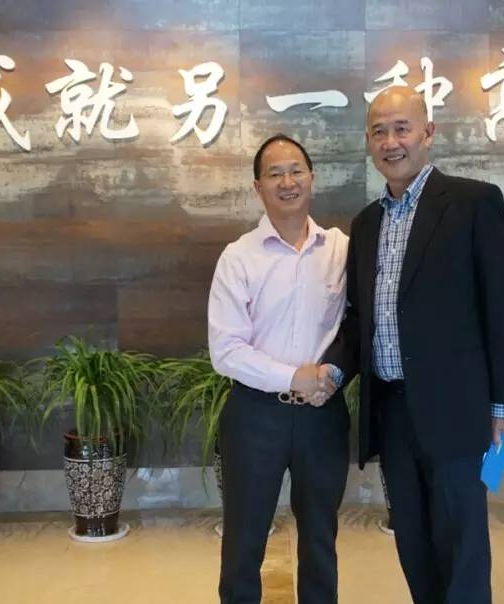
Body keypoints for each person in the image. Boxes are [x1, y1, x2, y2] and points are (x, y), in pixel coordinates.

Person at [323, 86, 504, 603]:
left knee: (461, 546)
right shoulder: (366, 223)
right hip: (392, 412)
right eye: (379, 132)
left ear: (428, 133)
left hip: (457, 411)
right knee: (412, 541)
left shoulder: (473, 203)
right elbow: (360, 318)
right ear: (368, 141)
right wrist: (334, 369)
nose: (391, 142)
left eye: (402, 129)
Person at [208, 134, 347, 604]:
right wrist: (292, 378)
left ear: (311, 178)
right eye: (275, 174)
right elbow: (225, 350)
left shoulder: (341, 249)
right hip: (255, 415)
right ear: (258, 187)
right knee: (244, 539)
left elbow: (358, 325)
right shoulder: (238, 257)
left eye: (296, 171)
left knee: (321, 538)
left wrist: (330, 375)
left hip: (323, 416)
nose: (287, 182)